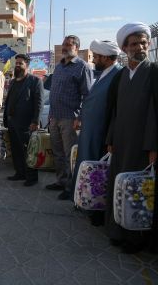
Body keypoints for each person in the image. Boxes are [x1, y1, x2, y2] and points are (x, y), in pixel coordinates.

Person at [105, 22, 157, 254]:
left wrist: (153, 146)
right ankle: (118, 231)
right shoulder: (122, 76)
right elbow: (115, 111)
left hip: (142, 145)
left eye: (143, 42)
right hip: (121, 142)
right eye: (134, 44)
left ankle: (136, 239)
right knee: (120, 187)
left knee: (138, 190)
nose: (140, 47)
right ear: (125, 48)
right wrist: (111, 138)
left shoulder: (153, 71)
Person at [70, 40, 121, 225]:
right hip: (90, 130)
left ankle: (97, 210)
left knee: (99, 172)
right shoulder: (103, 73)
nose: (94, 59)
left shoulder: (117, 74)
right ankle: (86, 202)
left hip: (101, 133)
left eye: (97, 56)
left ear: (106, 58)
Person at [46, 35, 93, 200]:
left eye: (69, 45)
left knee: (69, 154)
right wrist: (50, 116)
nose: (65, 47)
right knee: (57, 153)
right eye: (64, 44)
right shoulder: (59, 66)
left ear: (77, 48)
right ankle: (61, 181)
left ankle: (71, 187)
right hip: (55, 117)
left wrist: (79, 117)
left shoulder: (82, 67)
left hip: (69, 119)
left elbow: (87, 95)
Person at [3, 54, 44, 186]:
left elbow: (39, 103)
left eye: (20, 63)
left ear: (27, 65)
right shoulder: (14, 81)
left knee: (29, 151)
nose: (17, 65)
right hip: (12, 122)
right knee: (16, 150)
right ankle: (20, 173)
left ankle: (32, 177)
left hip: (27, 124)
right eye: (16, 63)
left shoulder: (35, 81)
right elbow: (9, 100)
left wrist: (35, 121)